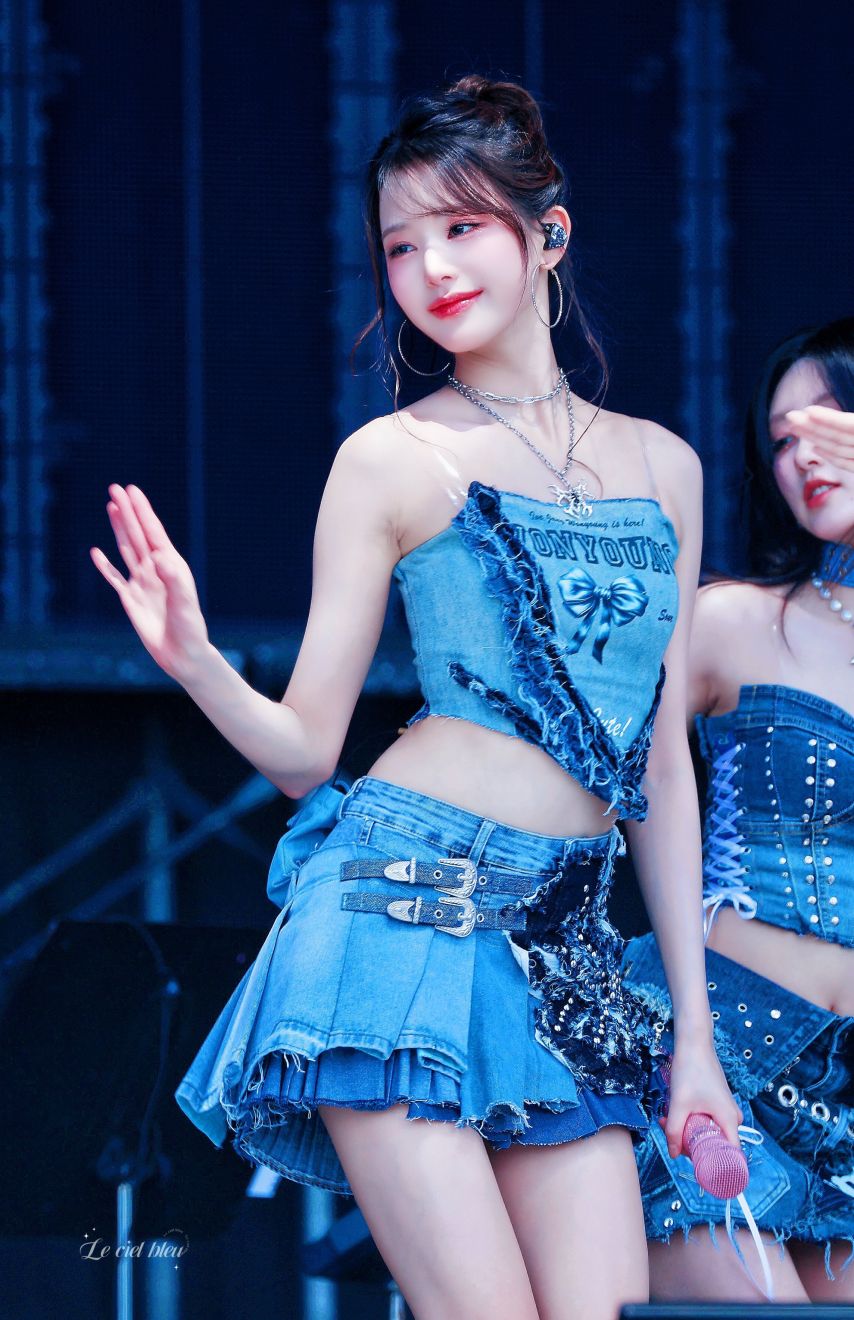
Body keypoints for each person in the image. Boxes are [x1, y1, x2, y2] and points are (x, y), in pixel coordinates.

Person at [91, 76, 736, 1320]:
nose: (428, 268)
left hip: (565, 951)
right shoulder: (391, 458)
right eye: (398, 245)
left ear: (547, 235)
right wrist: (196, 660)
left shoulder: (664, 466)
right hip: (395, 918)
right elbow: (302, 753)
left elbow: (658, 763)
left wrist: (695, 1044)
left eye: (461, 226)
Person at [624, 317, 854, 1304]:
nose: (802, 456)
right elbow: (598, 769)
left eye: (830, 423)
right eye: (781, 439)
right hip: (720, 1058)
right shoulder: (733, 621)